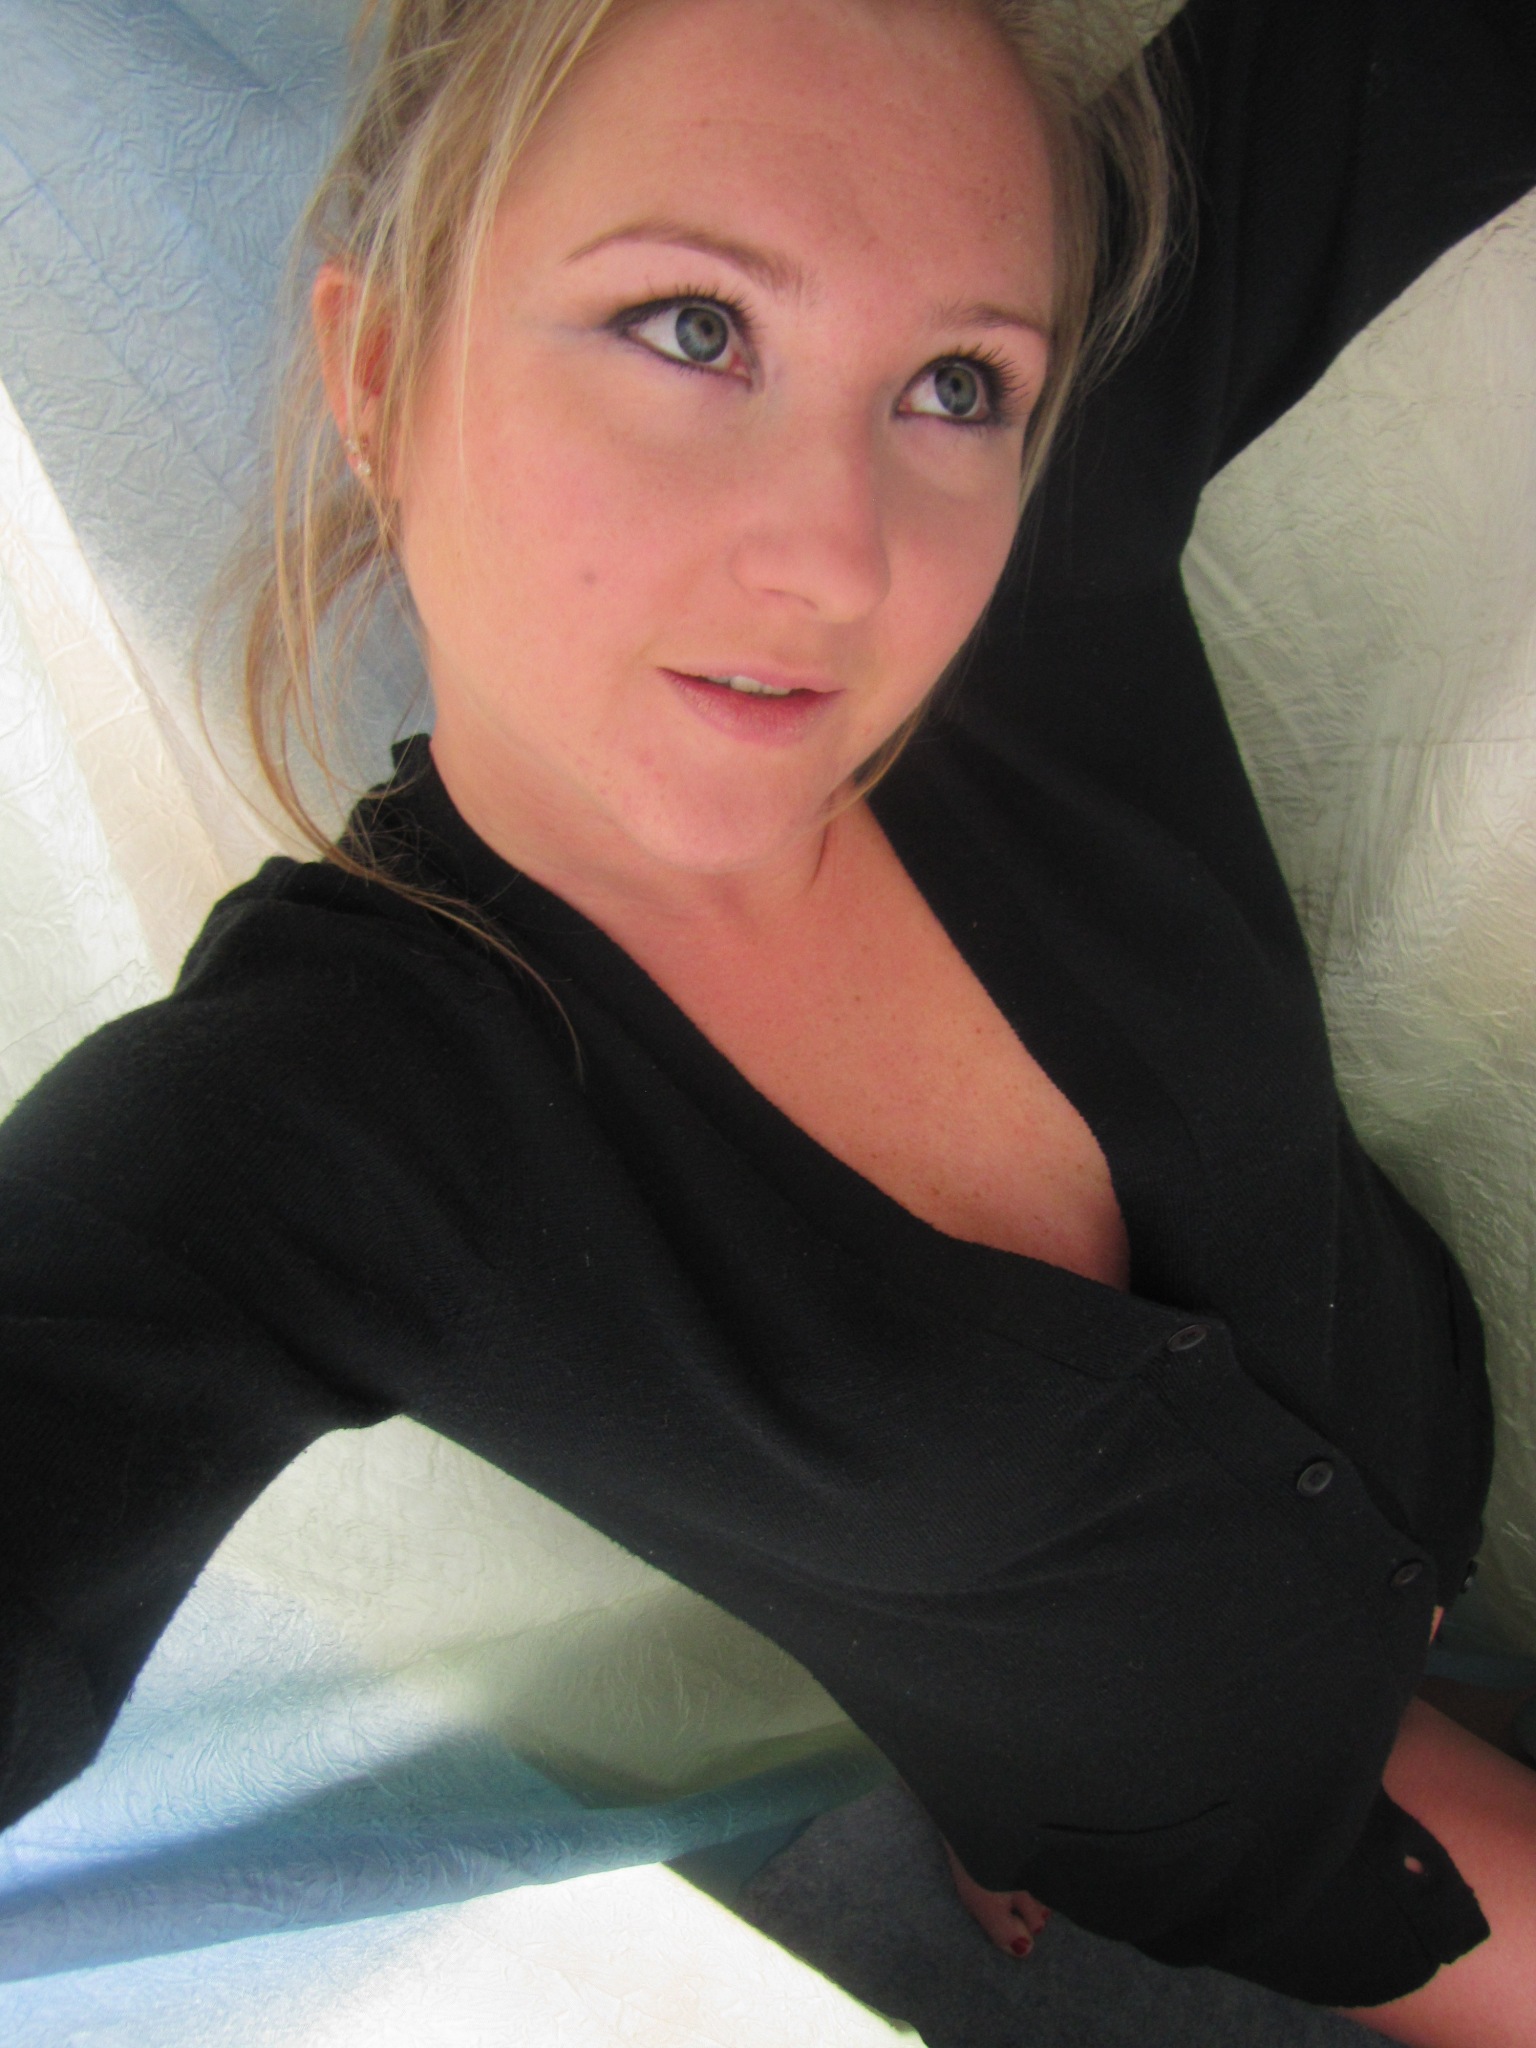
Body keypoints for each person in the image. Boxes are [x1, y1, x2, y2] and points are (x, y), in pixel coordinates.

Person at [1, 0, 1534, 2038]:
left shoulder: (1038, 531)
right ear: (378, 374)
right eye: (692, 327)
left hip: (1434, 1446)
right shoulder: (297, 1130)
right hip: (1220, 1811)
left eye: (956, 382)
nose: (837, 559)